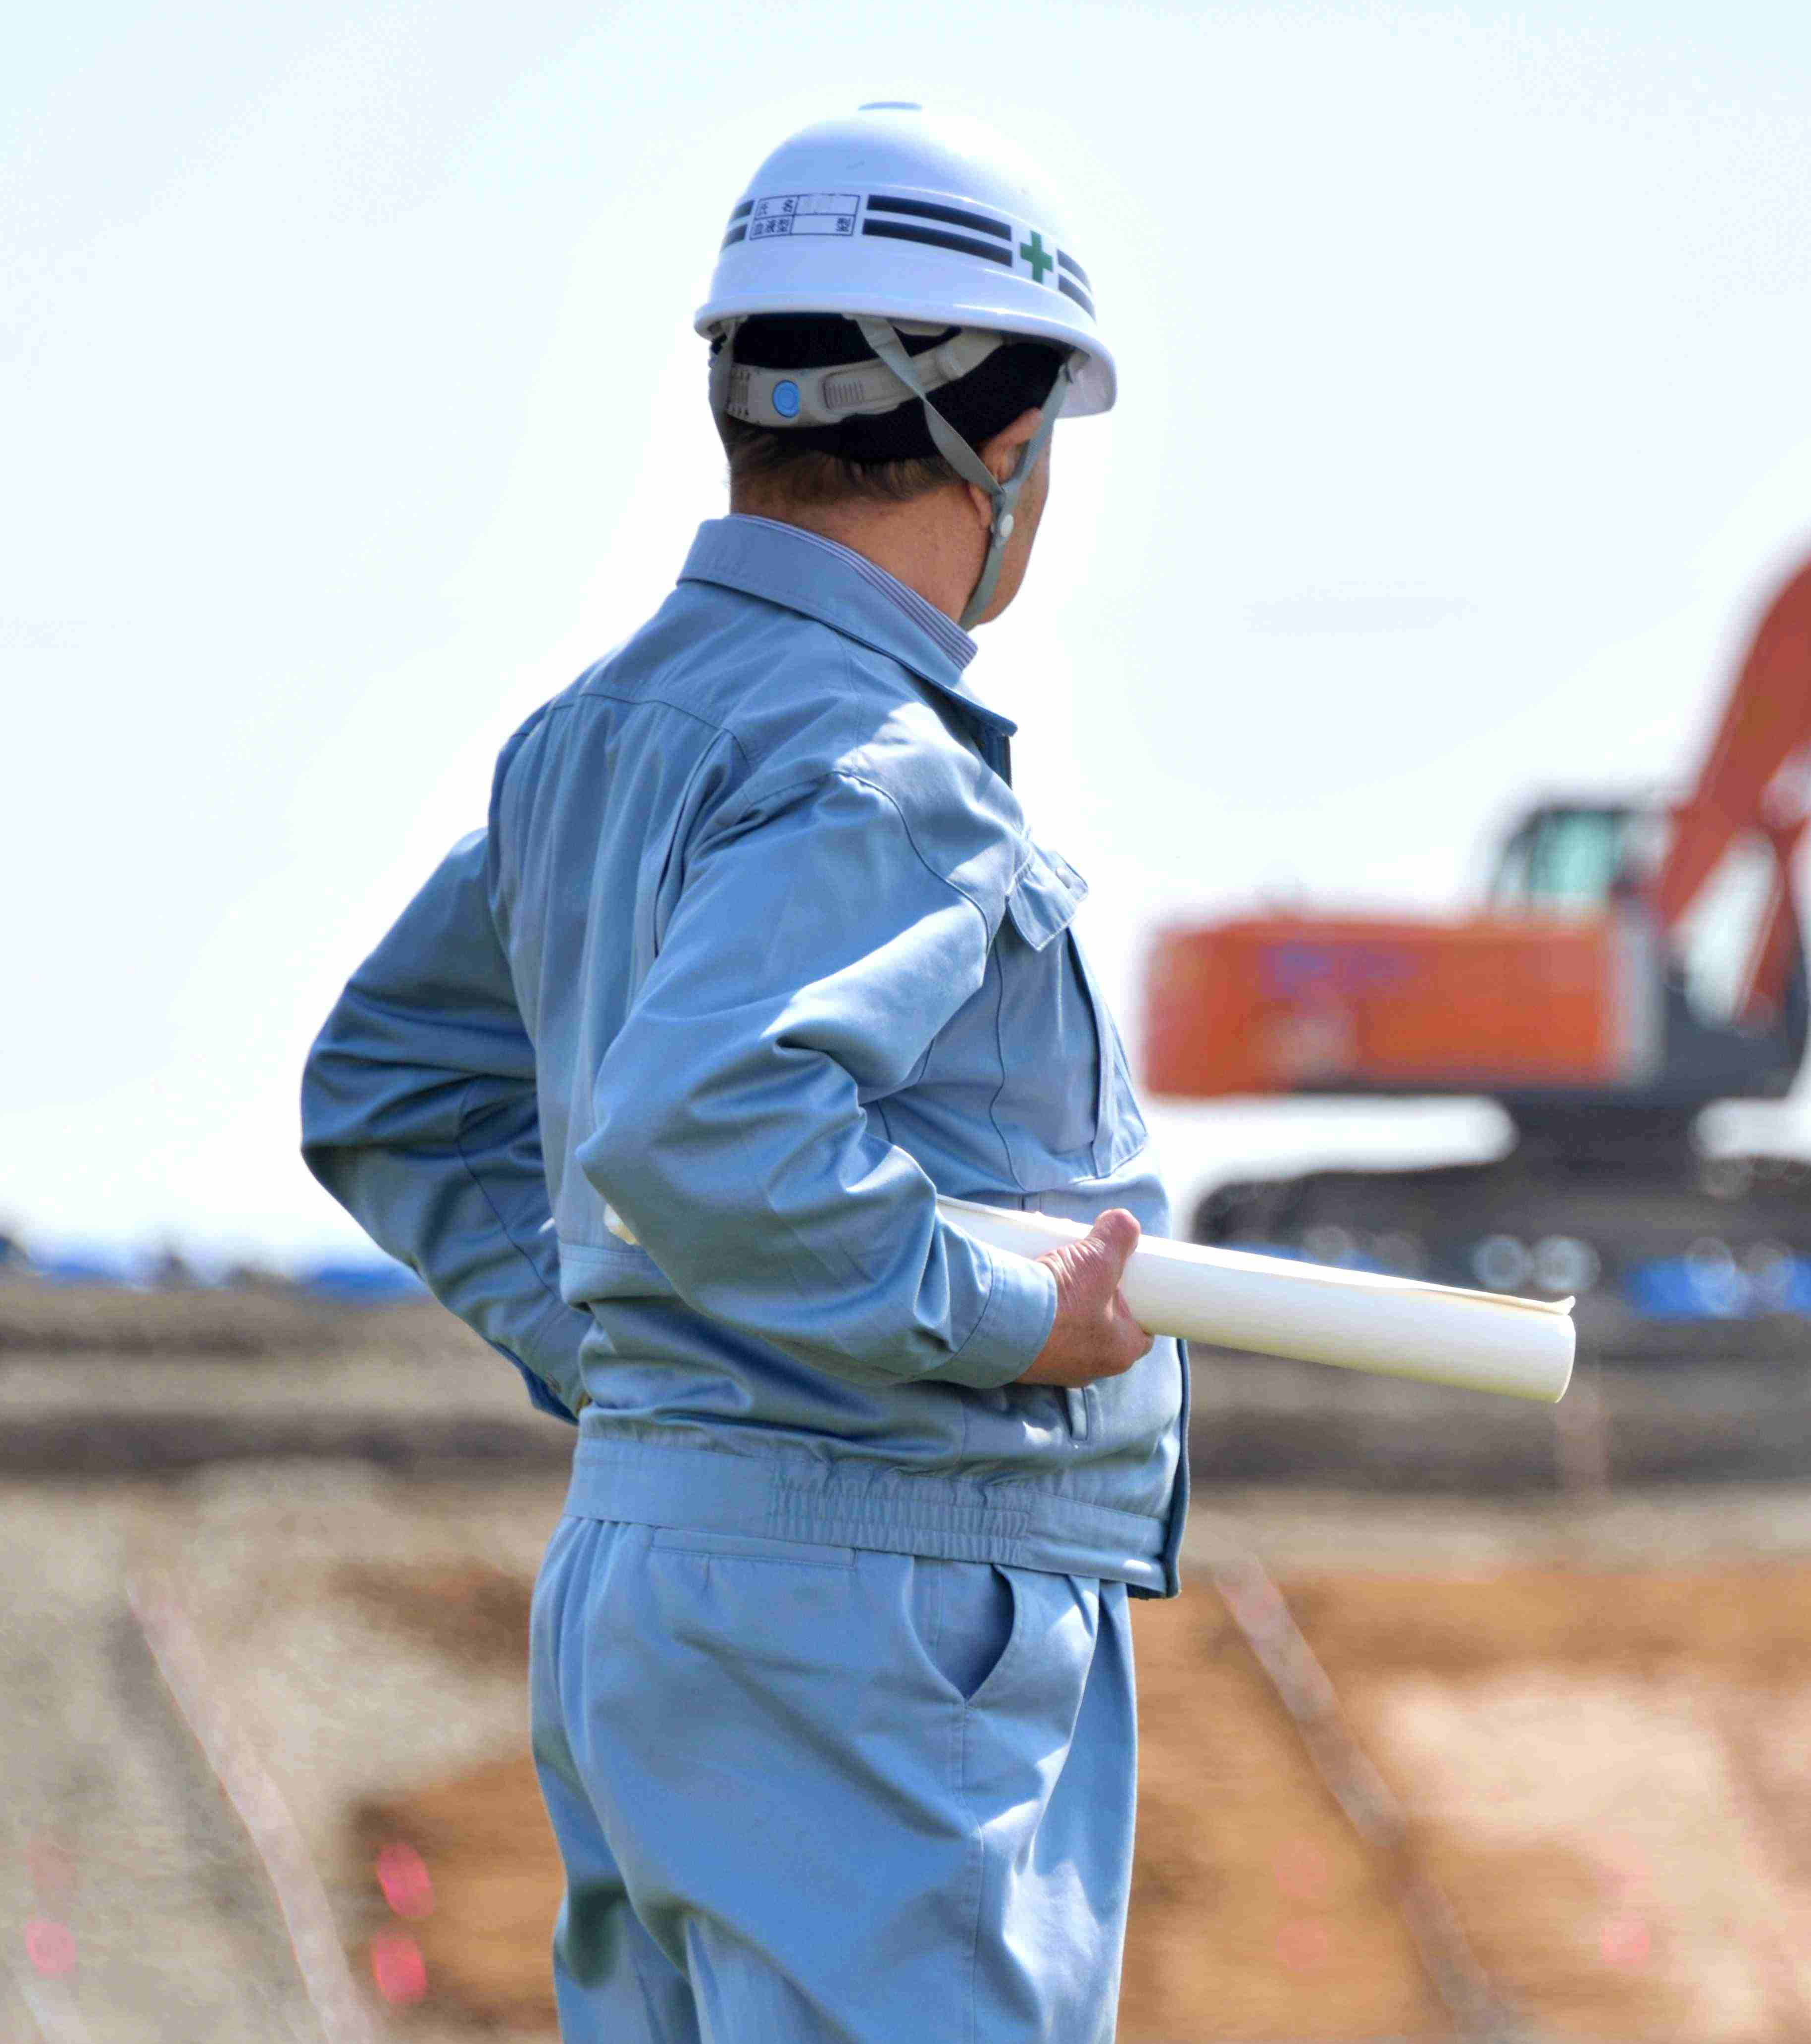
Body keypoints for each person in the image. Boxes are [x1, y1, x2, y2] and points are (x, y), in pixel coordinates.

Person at [300, 101, 1179, 2042]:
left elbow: (388, 1084)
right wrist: (1006, 1314)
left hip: (658, 1572)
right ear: (1006, 450)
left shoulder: (599, 737)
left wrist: (636, 1343)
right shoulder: (891, 767)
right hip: (881, 1610)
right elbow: (709, 1116)